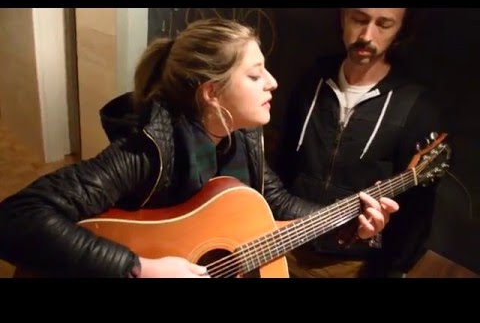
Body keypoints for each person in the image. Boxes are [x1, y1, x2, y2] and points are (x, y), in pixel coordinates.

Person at [0, 18, 398, 278]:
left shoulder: (242, 137)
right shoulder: (148, 150)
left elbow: (277, 205)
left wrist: (350, 223)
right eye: (256, 75)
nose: (273, 82)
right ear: (212, 93)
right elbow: (16, 218)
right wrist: (141, 268)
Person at [272, 8, 443, 278]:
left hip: (350, 265)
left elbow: (416, 213)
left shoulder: (415, 106)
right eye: (359, 19)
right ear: (343, 18)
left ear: (400, 30)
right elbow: (282, 161)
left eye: (384, 25)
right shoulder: (311, 79)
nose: (366, 35)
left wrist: (391, 270)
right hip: (283, 245)